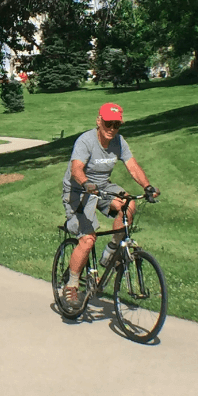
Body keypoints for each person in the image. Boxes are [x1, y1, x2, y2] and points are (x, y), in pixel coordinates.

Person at [60, 102, 158, 307]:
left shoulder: (119, 142)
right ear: (99, 121)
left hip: (103, 187)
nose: (112, 129)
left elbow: (132, 166)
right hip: (78, 190)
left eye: (116, 125)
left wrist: (147, 186)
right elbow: (76, 169)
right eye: (108, 123)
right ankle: (72, 285)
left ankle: (112, 250)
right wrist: (86, 183)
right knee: (87, 240)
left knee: (129, 204)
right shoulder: (86, 141)